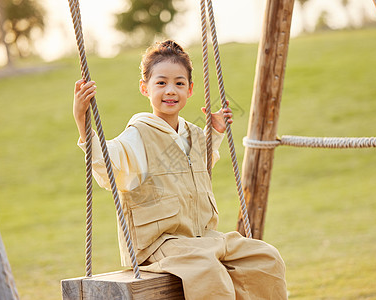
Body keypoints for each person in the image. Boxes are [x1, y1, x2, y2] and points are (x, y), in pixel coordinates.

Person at [73, 40, 287, 300]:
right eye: (161, 83)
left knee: (265, 258)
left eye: (179, 83)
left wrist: (215, 132)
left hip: (202, 239)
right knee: (209, 272)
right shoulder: (138, 135)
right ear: (145, 88)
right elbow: (108, 166)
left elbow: (197, 169)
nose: (170, 91)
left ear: (190, 89)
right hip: (158, 245)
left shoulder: (194, 134)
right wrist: (83, 122)